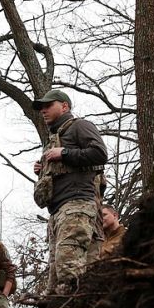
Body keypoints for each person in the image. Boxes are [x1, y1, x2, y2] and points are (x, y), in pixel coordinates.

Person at [31, 89, 107, 294]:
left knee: (68, 270)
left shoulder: (80, 126)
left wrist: (64, 153)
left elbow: (100, 153)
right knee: (56, 280)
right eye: (41, 108)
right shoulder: (54, 138)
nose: (43, 111)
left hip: (77, 205)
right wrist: (42, 168)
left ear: (64, 106)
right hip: (57, 212)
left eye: (48, 105)